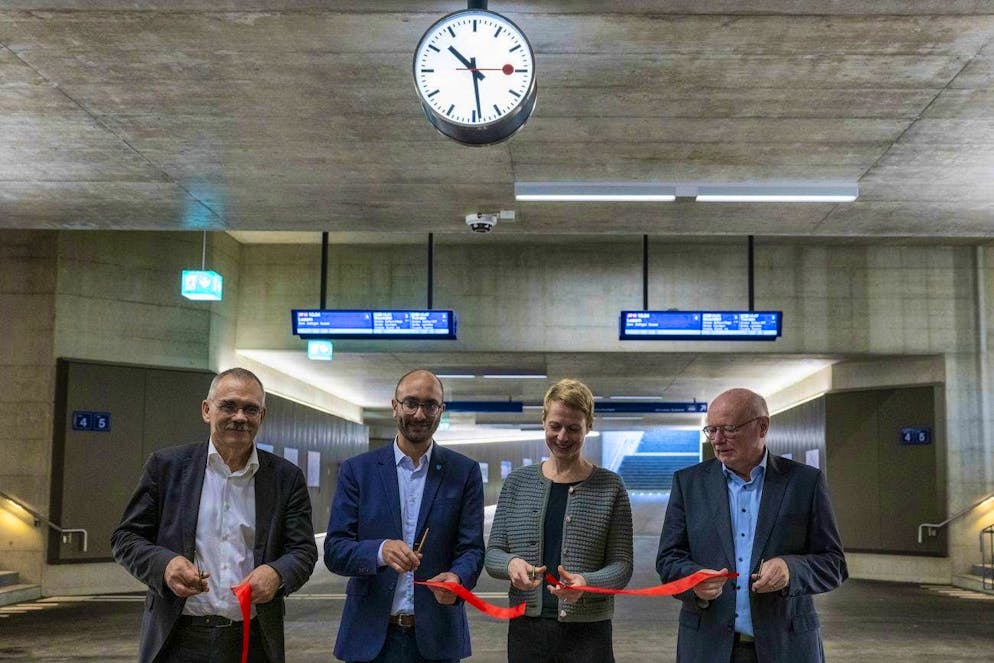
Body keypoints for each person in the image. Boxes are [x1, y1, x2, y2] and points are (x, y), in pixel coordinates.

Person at [111, 367, 318, 663]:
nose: (240, 417)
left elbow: (303, 551)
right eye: (229, 406)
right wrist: (165, 565)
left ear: (262, 416)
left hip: (252, 639)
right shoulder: (166, 467)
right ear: (207, 410)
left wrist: (277, 574)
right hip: (176, 639)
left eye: (251, 409)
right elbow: (125, 538)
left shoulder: (286, 478)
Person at [656, 387, 847, 663]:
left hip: (787, 647)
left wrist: (790, 569)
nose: (718, 440)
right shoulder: (689, 484)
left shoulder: (805, 483)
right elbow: (668, 559)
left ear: (762, 426)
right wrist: (694, 580)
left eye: (729, 429)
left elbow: (834, 564)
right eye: (712, 430)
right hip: (707, 647)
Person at [324, 369, 485, 663]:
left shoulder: (464, 473)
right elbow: (335, 550)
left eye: (430, 405)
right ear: (395, 405)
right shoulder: (358, 471)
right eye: (411, 403)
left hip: (437, 639)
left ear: (441, 410)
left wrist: (458, 577)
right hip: (369, 639)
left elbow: (472, 548)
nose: (420, 414)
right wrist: (379, 551)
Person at [485, 378, 633, 663]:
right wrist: (510, 564)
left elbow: (622, 566)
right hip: (527, 629)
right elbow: (493, 555)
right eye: (555, 426)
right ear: (543, 421)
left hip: (589, 633)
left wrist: (586, 582)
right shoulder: (517, 483)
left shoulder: (611, 486)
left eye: (574, 428)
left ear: (588, 426)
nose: (563, 437)